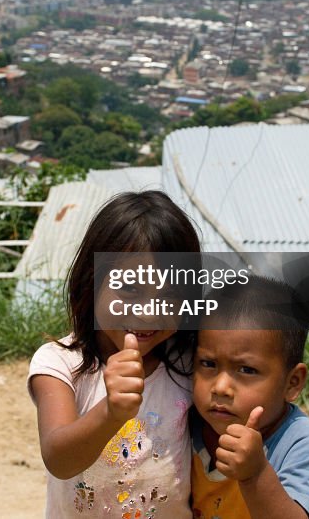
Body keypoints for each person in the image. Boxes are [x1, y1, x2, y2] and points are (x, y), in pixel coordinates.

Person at [28, 191, 200, 518]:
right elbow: (58, 459)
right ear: (91, 281)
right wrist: (110, 412)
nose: (148, 311)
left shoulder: (190, 364)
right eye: (130, 289)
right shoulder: (60, 364)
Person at [190, 276, 309, 519]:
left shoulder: (300, 443)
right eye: (208, 363)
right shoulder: (189, 422)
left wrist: (254, 475)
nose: (221, 387)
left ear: (292, 382)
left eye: (246, 370)